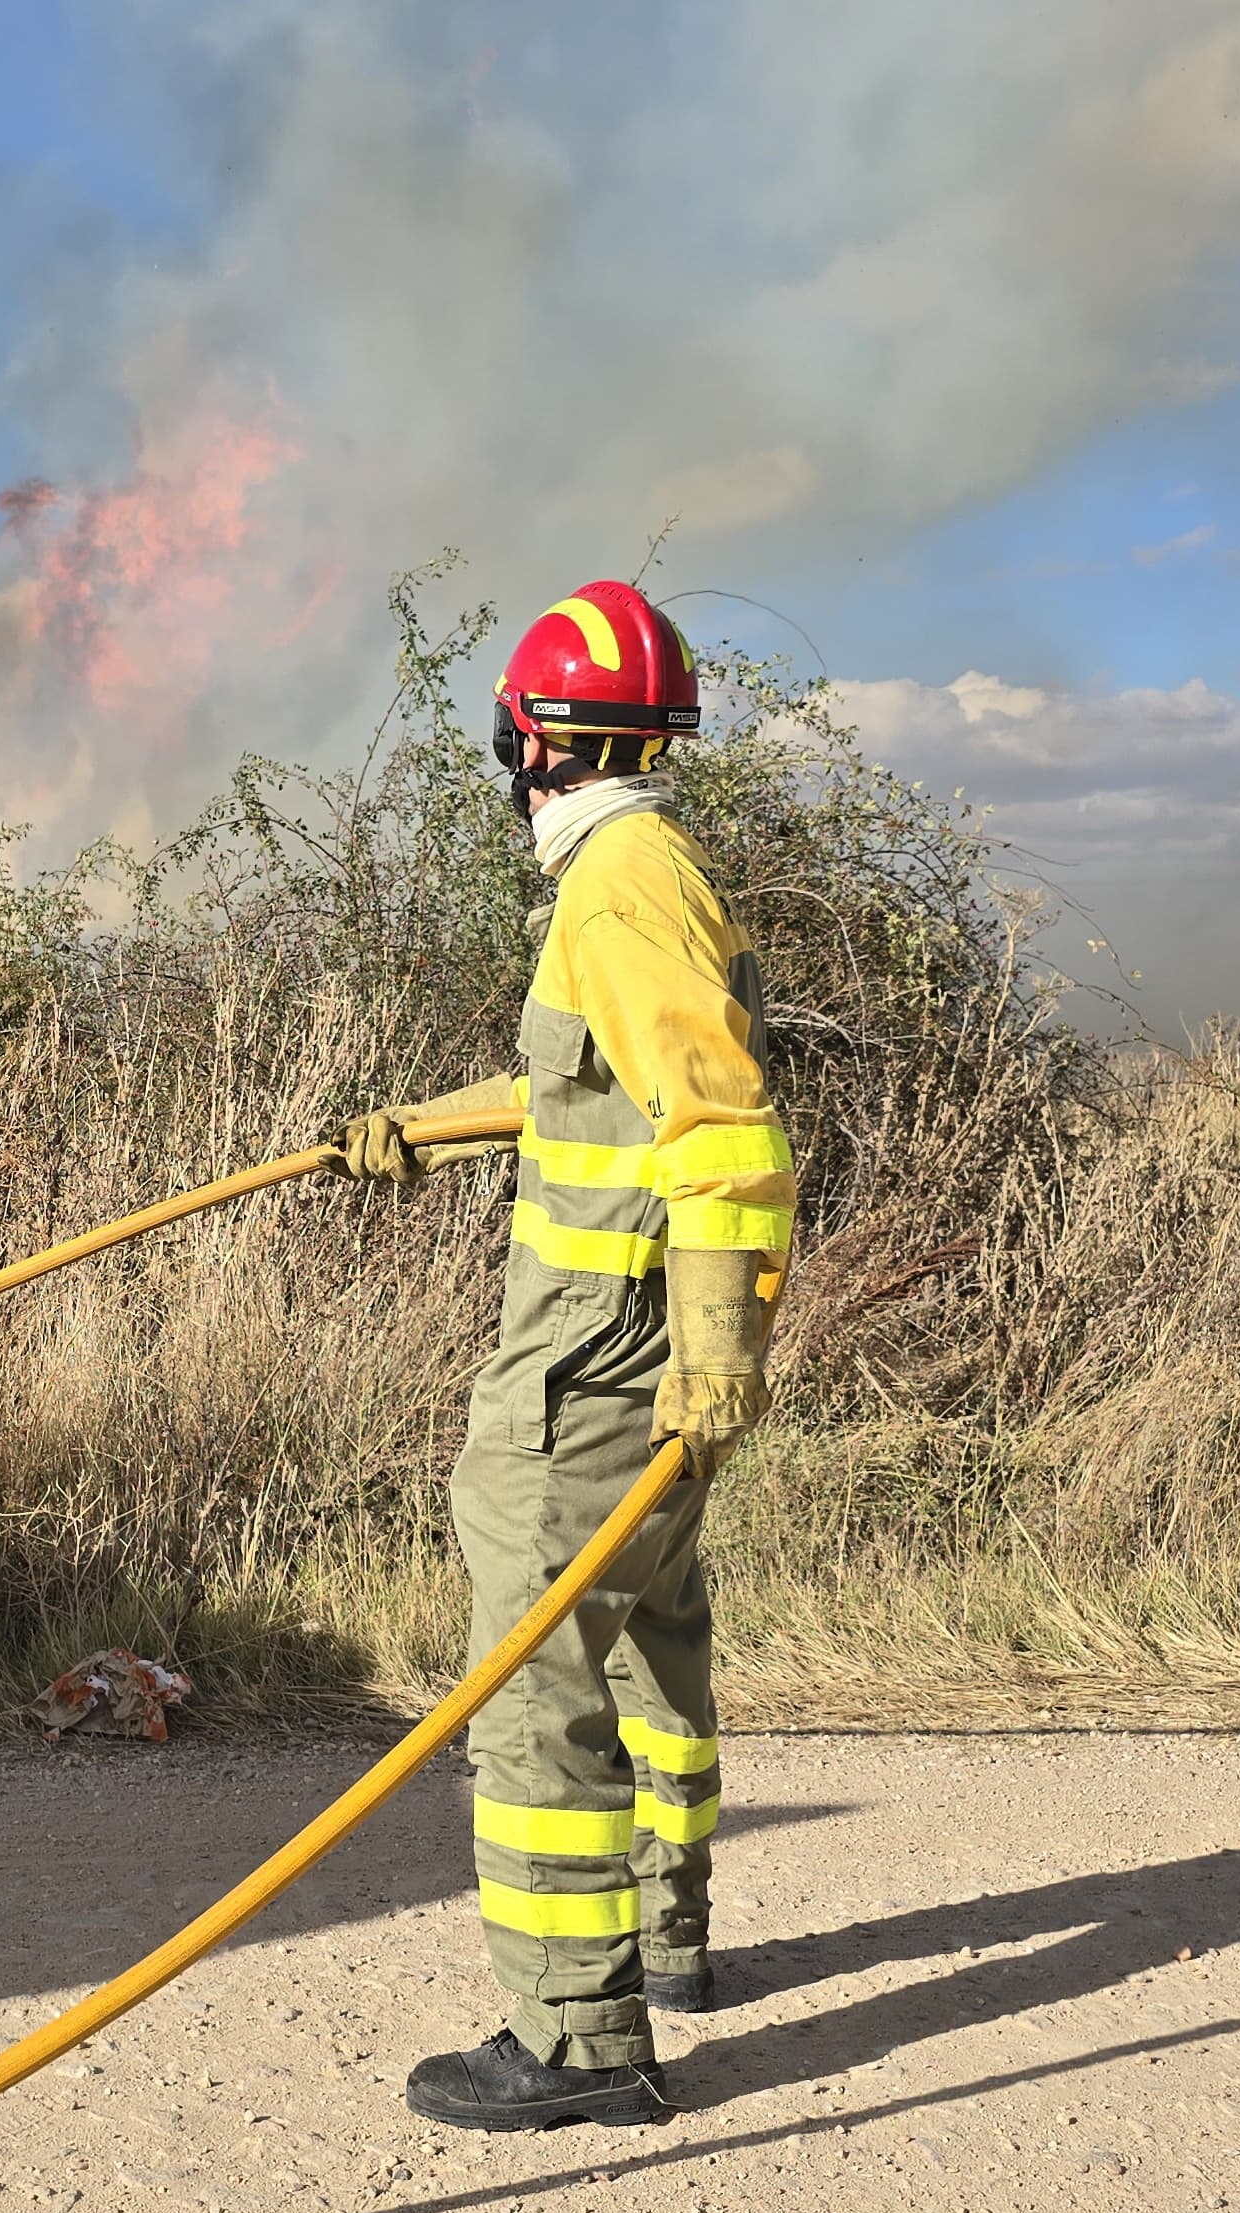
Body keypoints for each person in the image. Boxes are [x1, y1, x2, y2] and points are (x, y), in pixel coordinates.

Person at [330, 578, 794, 2131]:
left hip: (593, 1371)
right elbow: (592, 1087)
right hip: (647, 1363)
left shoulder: (611, 887)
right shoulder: (651, 868)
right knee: (655, 1641)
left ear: (528, 742)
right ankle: (669, 1943)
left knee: (536, 1689)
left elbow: (720, 1119)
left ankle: (577, 2044)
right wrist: (421, 1130)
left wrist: (722, 1337)